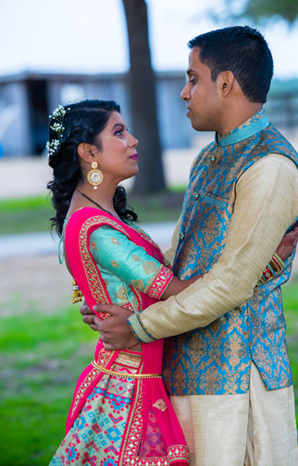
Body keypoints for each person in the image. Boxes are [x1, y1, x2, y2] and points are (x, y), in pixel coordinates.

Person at [81, 26, 298, 466]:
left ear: (225, 83)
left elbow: (230, 285)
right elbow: (184, 261)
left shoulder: (270, 166)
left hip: (237, 378)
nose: (184, 93)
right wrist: (113, 288)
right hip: (184, 365)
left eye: (192, 78)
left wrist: (138, 326)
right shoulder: (210, 159)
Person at [47, 100, 196, 466]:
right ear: (88, 152)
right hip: (129, 389)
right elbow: (180, 294)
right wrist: (262, 263)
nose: (133, 140)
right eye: (118, 132)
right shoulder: (97, 229)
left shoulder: (95, 215)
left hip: (125, 375)